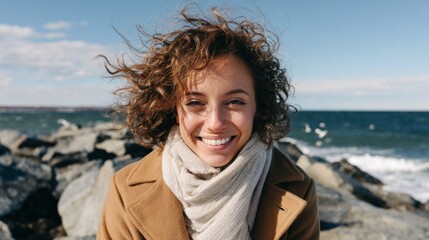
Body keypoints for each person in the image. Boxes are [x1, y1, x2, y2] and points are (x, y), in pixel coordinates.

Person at [97, 6, 319, 240]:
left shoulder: (298, 189)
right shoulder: (125, 190)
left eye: (234, 101)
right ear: (172, 107)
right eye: (195, 103)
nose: (215, 123)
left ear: (258, 107)